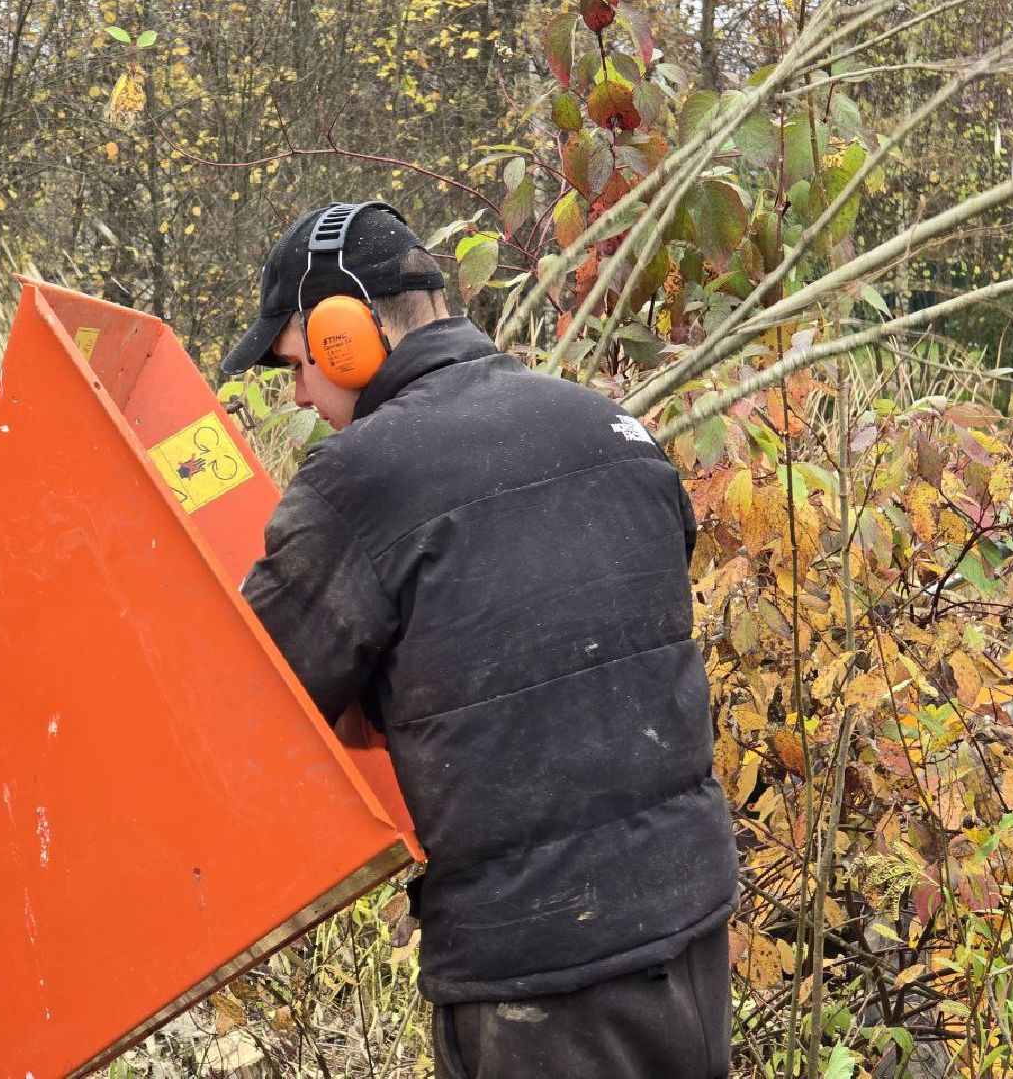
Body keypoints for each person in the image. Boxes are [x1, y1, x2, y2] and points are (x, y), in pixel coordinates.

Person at [222, 201, 740, 1078]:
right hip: (690, 926)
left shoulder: (360, 478)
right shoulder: (617, 431)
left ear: (343, 333)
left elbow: (256, 693)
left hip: (536, 968)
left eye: (295, 367)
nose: (301, 395)